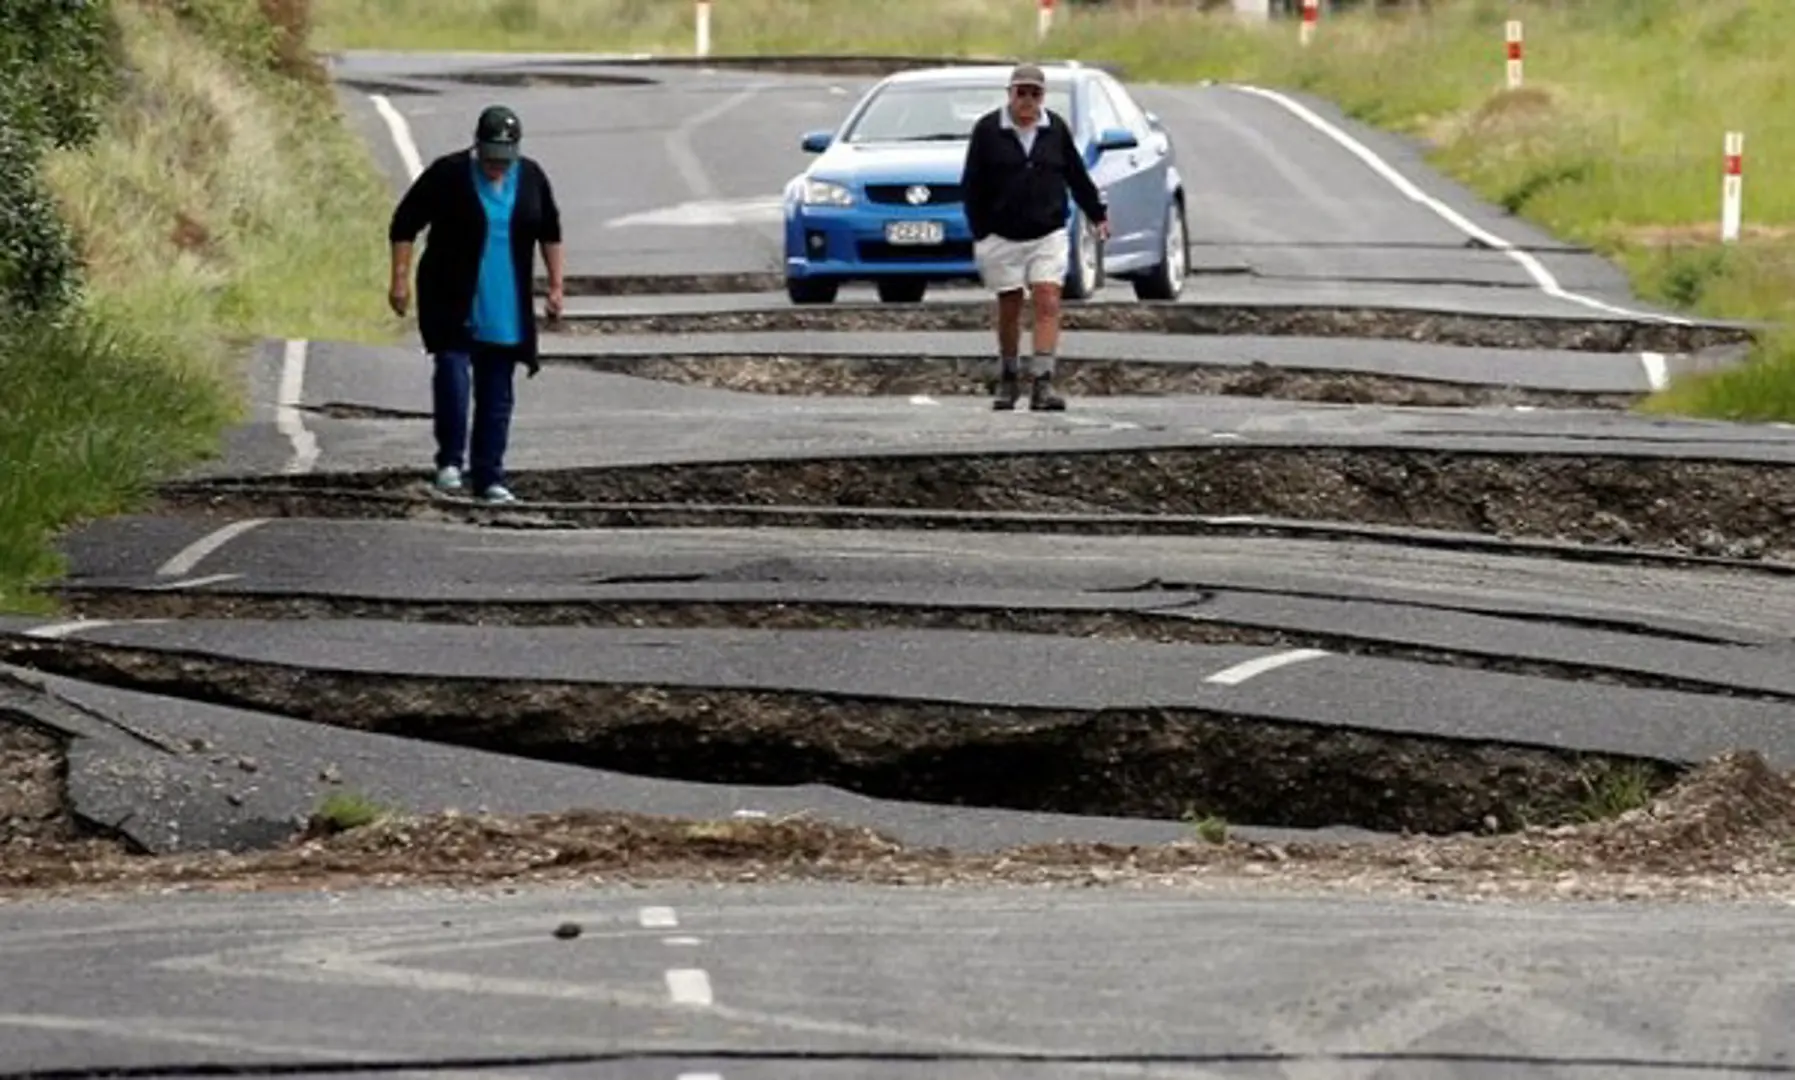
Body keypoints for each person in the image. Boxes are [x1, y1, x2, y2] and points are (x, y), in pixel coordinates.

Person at [387, 103, 565, 504]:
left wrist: (556, 286)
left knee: (497, 388)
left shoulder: (532, 177)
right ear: (477, 147)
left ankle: (490, 476)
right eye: (490, 158)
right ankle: (450, 462)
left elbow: (550, 232)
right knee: (452, 371)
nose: (496, 167)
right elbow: (404, 223)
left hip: (505, 298)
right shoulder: (448, 174)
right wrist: (399, 280)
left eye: (504, 159)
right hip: (451, 294)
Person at [960, 63, 1109, 412]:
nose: (1027, 101)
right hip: (1000, 235)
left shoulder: (1055, 129)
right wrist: (980, 230)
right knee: (1010, 306)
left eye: (1035, 93)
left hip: (1048, 232)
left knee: (1047, 299)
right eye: (1021, 92)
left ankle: (1043, 382)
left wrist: (1097, 213)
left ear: (1043, 97)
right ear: (1009, 94)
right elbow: (971, 185)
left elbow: (1075, 174)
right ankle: (1009, 377)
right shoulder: (987, 130)